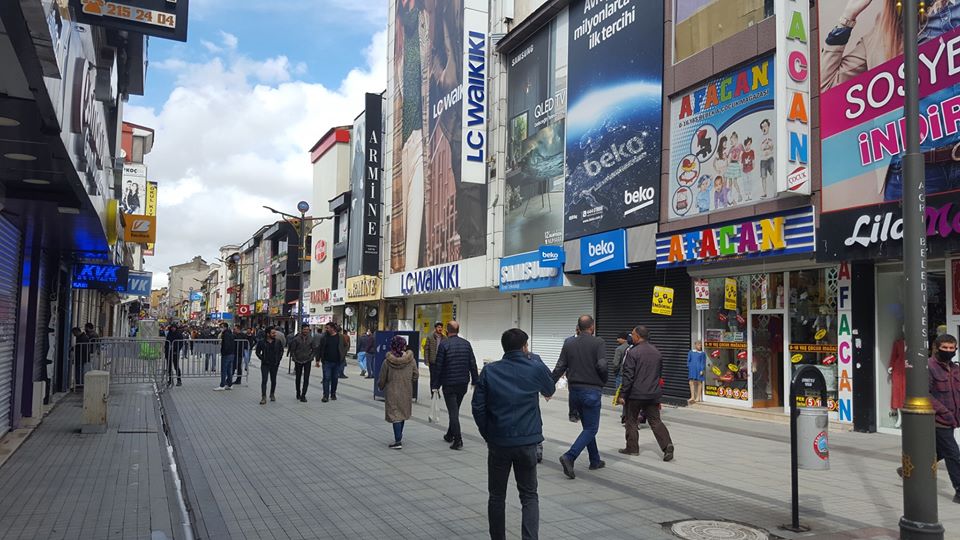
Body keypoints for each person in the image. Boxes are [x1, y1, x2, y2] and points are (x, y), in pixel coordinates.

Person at [472, 329, 556, 540]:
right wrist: (536, 360)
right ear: (524, 347)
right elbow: (550, 389)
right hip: (528, 441)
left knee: (497, 495)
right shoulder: (534, 366)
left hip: (499, 441)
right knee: (529, 496)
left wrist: (488, 433)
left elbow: (478, 407)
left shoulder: (490, 371)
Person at [552, 315, 607, 479]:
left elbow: (560, 366)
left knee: (587, 427)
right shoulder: (598, 342)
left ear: (579, 327)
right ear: (592, 327)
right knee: (591, 428)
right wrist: (603, 380)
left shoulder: (569, 343)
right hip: (591, 390)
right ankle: (570, 456)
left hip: (574, 391)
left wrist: (548, 386)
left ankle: (595, 460)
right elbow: (602, 364)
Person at [619, 326, 674, 462]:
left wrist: (622, 394)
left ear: (638, 336)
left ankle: (632, 448)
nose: (631, 337)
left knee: (631, 420)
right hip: (653, 393)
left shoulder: (633, 352)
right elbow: (659, 374)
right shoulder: (656, 352)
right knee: (655, 421)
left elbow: (628, 376)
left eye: (632, 334)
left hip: (636, 394)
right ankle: (667, 446)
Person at [432, 321, 479, 450]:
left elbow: (439, 366)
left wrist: (435, 385)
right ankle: (449, 434)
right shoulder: (466, 344)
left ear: (447, 331)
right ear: (458, 330)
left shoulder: (444, 345)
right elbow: (472, 363)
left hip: (449, 383)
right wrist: (475, 380)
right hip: (463, 383)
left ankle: (458, 440)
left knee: (453, 412)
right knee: (455, 409)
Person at [928, 334, 960, 504]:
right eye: (945, 347)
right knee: (953, 454)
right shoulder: (929, 366)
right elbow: (925, 394)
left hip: (952, 418)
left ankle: (909, 470)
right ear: (936, 347)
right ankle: (959, 490)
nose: (948, 351)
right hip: (938, 419)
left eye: (952, 348)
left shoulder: (955, 368)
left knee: (940, 451)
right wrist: (945, 412)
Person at [379, 335, 419, 449]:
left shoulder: (387, 361)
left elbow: (382, 377)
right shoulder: (411, 360)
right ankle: (399, 436)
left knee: (395, 414)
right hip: (406, 390)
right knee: (402, 413)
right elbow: (416, 375)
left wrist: (381, 386)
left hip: (392, 391)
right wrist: (409, 381)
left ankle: (398, 441)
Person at [317, 322, 347, 402]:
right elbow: (320, 348)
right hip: (327, 361)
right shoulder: (324, 337)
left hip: (337, 362)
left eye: (327, 328)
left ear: (333, 328)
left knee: (335, 378)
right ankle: (325, 395)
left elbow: (346, 346)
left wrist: (343, 355)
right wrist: (318, 359)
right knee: (326, 378)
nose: (326, 329)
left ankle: (333, 393)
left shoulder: (340, 337)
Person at [256, 328, 284, 404]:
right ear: (268, 334)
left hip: (274, 364)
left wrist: (279, 359)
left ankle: (272, 394)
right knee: (264, 380)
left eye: (275, 333)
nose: (275, 334)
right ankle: (263, 397)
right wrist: (262, 358)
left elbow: (281, 351)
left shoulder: (278, 342)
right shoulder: (262, 342)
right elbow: (257, 352)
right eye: (273, 333)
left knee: (273, 380)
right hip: (265, 364)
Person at [288, 326, 315, 402]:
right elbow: (292, 350)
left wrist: (311, 357)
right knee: (298, 378)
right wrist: (295, 358)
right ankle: (298, 392)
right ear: (301, 330)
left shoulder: (311, 339)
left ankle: (303, 394)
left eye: (307, 329)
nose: (306, 331)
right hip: (298, 360)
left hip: (307, 360)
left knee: (306, 378)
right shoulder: (296, 339)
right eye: (304, 329)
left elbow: (314, 349)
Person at [563, 327, 581, 423]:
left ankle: (580, 413)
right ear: (577, 330)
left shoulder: (588, 341)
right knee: (573, 395)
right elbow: (564, 357)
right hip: (572, 372)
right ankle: (573, 414)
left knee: (582, 394)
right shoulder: (569, 341)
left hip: (584, 372)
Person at [214, 322, 236, 391]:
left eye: (221, 327)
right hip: (231, 354)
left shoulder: (225, 334)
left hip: (226, 354)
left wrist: (223, 352)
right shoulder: (231, 333)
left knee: (224, 370)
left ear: (225, 327)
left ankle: (222, 385)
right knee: (229, 370)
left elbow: (226, 345)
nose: (221, 328)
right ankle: (230, 384)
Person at [424, 322, 445, 388]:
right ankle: (432, 392)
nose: (440, 329)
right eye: (439, 327)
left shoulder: (444, 338)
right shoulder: (430, 337)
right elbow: (426, 349)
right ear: (435, 328)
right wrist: (426, 361)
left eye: (441, 327)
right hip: (433, 361)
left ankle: (437, 389)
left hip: (441, 361)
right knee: (433, 377)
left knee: (440, 377)